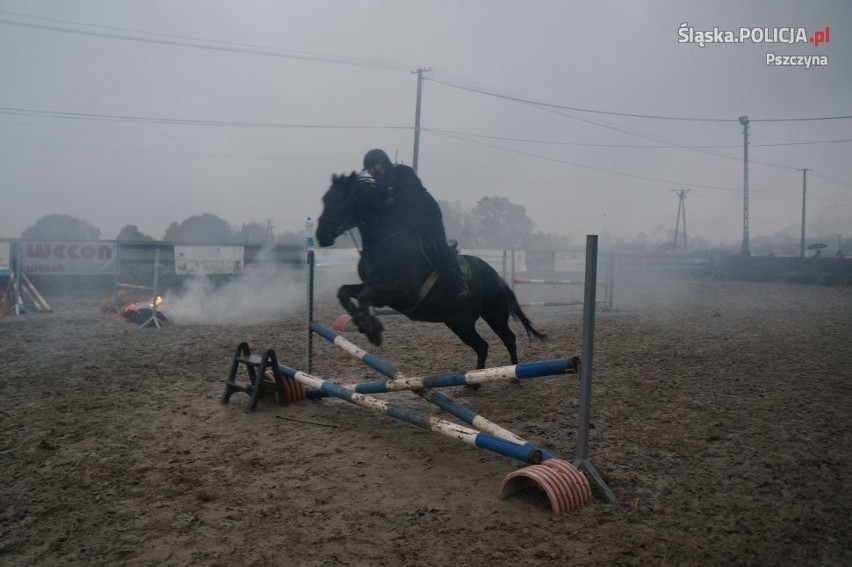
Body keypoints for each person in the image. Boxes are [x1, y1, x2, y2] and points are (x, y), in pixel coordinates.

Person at [362, 149, 471, 300]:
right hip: (405, 220)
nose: (371, 172)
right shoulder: (379, 183)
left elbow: (410, 195)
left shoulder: (403, 172)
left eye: (372, 167)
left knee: (438, 244)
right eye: (369, 170)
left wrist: (391, 202)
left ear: (382, 164)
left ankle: (459, 282)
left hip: (427, 214)